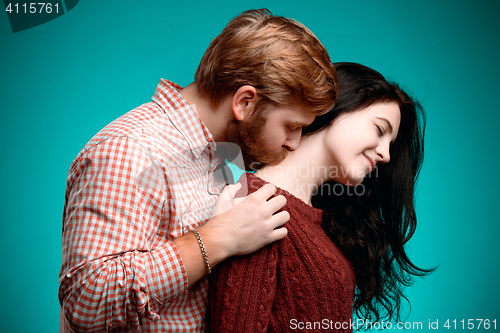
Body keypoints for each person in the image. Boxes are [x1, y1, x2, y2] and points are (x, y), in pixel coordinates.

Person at [58, 9, 337, 333]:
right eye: (291, 126)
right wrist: (218, 238)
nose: (294, 143)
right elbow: (86, 301)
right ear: (245, 102)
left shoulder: (228, 153)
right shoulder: (128, 149)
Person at [207, 62, 434, 332]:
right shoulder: (258, 204)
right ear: (340, 108)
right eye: (379, 130)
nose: (385, 153)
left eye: (390, 144)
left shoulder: (314, 216)